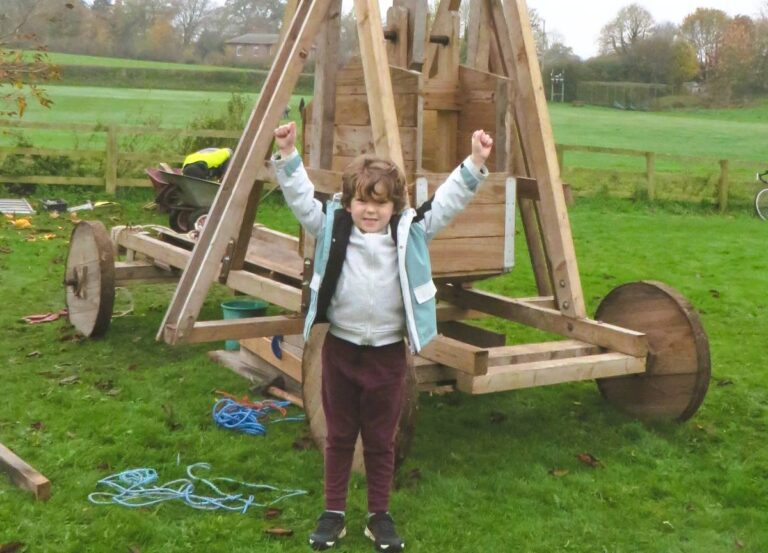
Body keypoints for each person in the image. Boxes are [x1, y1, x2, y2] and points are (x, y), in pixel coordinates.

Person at [272, 121, 493, 552]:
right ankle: (333, 513)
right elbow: (300, 198)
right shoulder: (331, 228)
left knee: (379, 440)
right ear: (348, 201)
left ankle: (379, 515)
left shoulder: (410, 231)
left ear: (395, 205)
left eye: (380, 203)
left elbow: (445, 203)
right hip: (340, 352)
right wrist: (287, 153)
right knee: (337, 437)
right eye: (361, 201)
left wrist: (476, 162)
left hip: (389, 357)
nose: (369, 211)